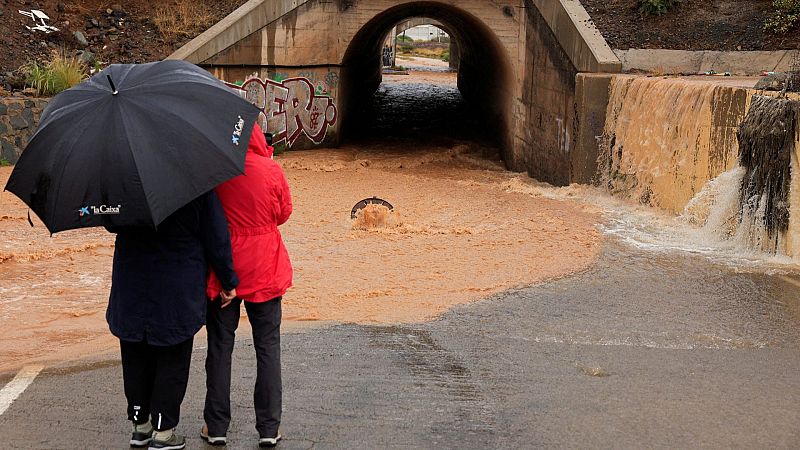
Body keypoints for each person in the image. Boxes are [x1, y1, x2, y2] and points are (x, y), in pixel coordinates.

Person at [106, 192, 239, 450]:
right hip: (176, 283)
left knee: (135, 353)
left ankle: (140, 425)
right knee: (172, 356)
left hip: (132, 280)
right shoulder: (194, 184)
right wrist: (228, 280)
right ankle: (163, 430)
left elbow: (111, 223)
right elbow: (216, 237)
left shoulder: (122, 180)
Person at [202, 123, 293, 448]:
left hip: (225, 268)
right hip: (265, 265)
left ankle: (216, 427)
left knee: (220, 347)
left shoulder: (217, 172)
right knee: (267, 347)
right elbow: (283, 213)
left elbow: (208, 220)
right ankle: (269, 428)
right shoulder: (271, 169)